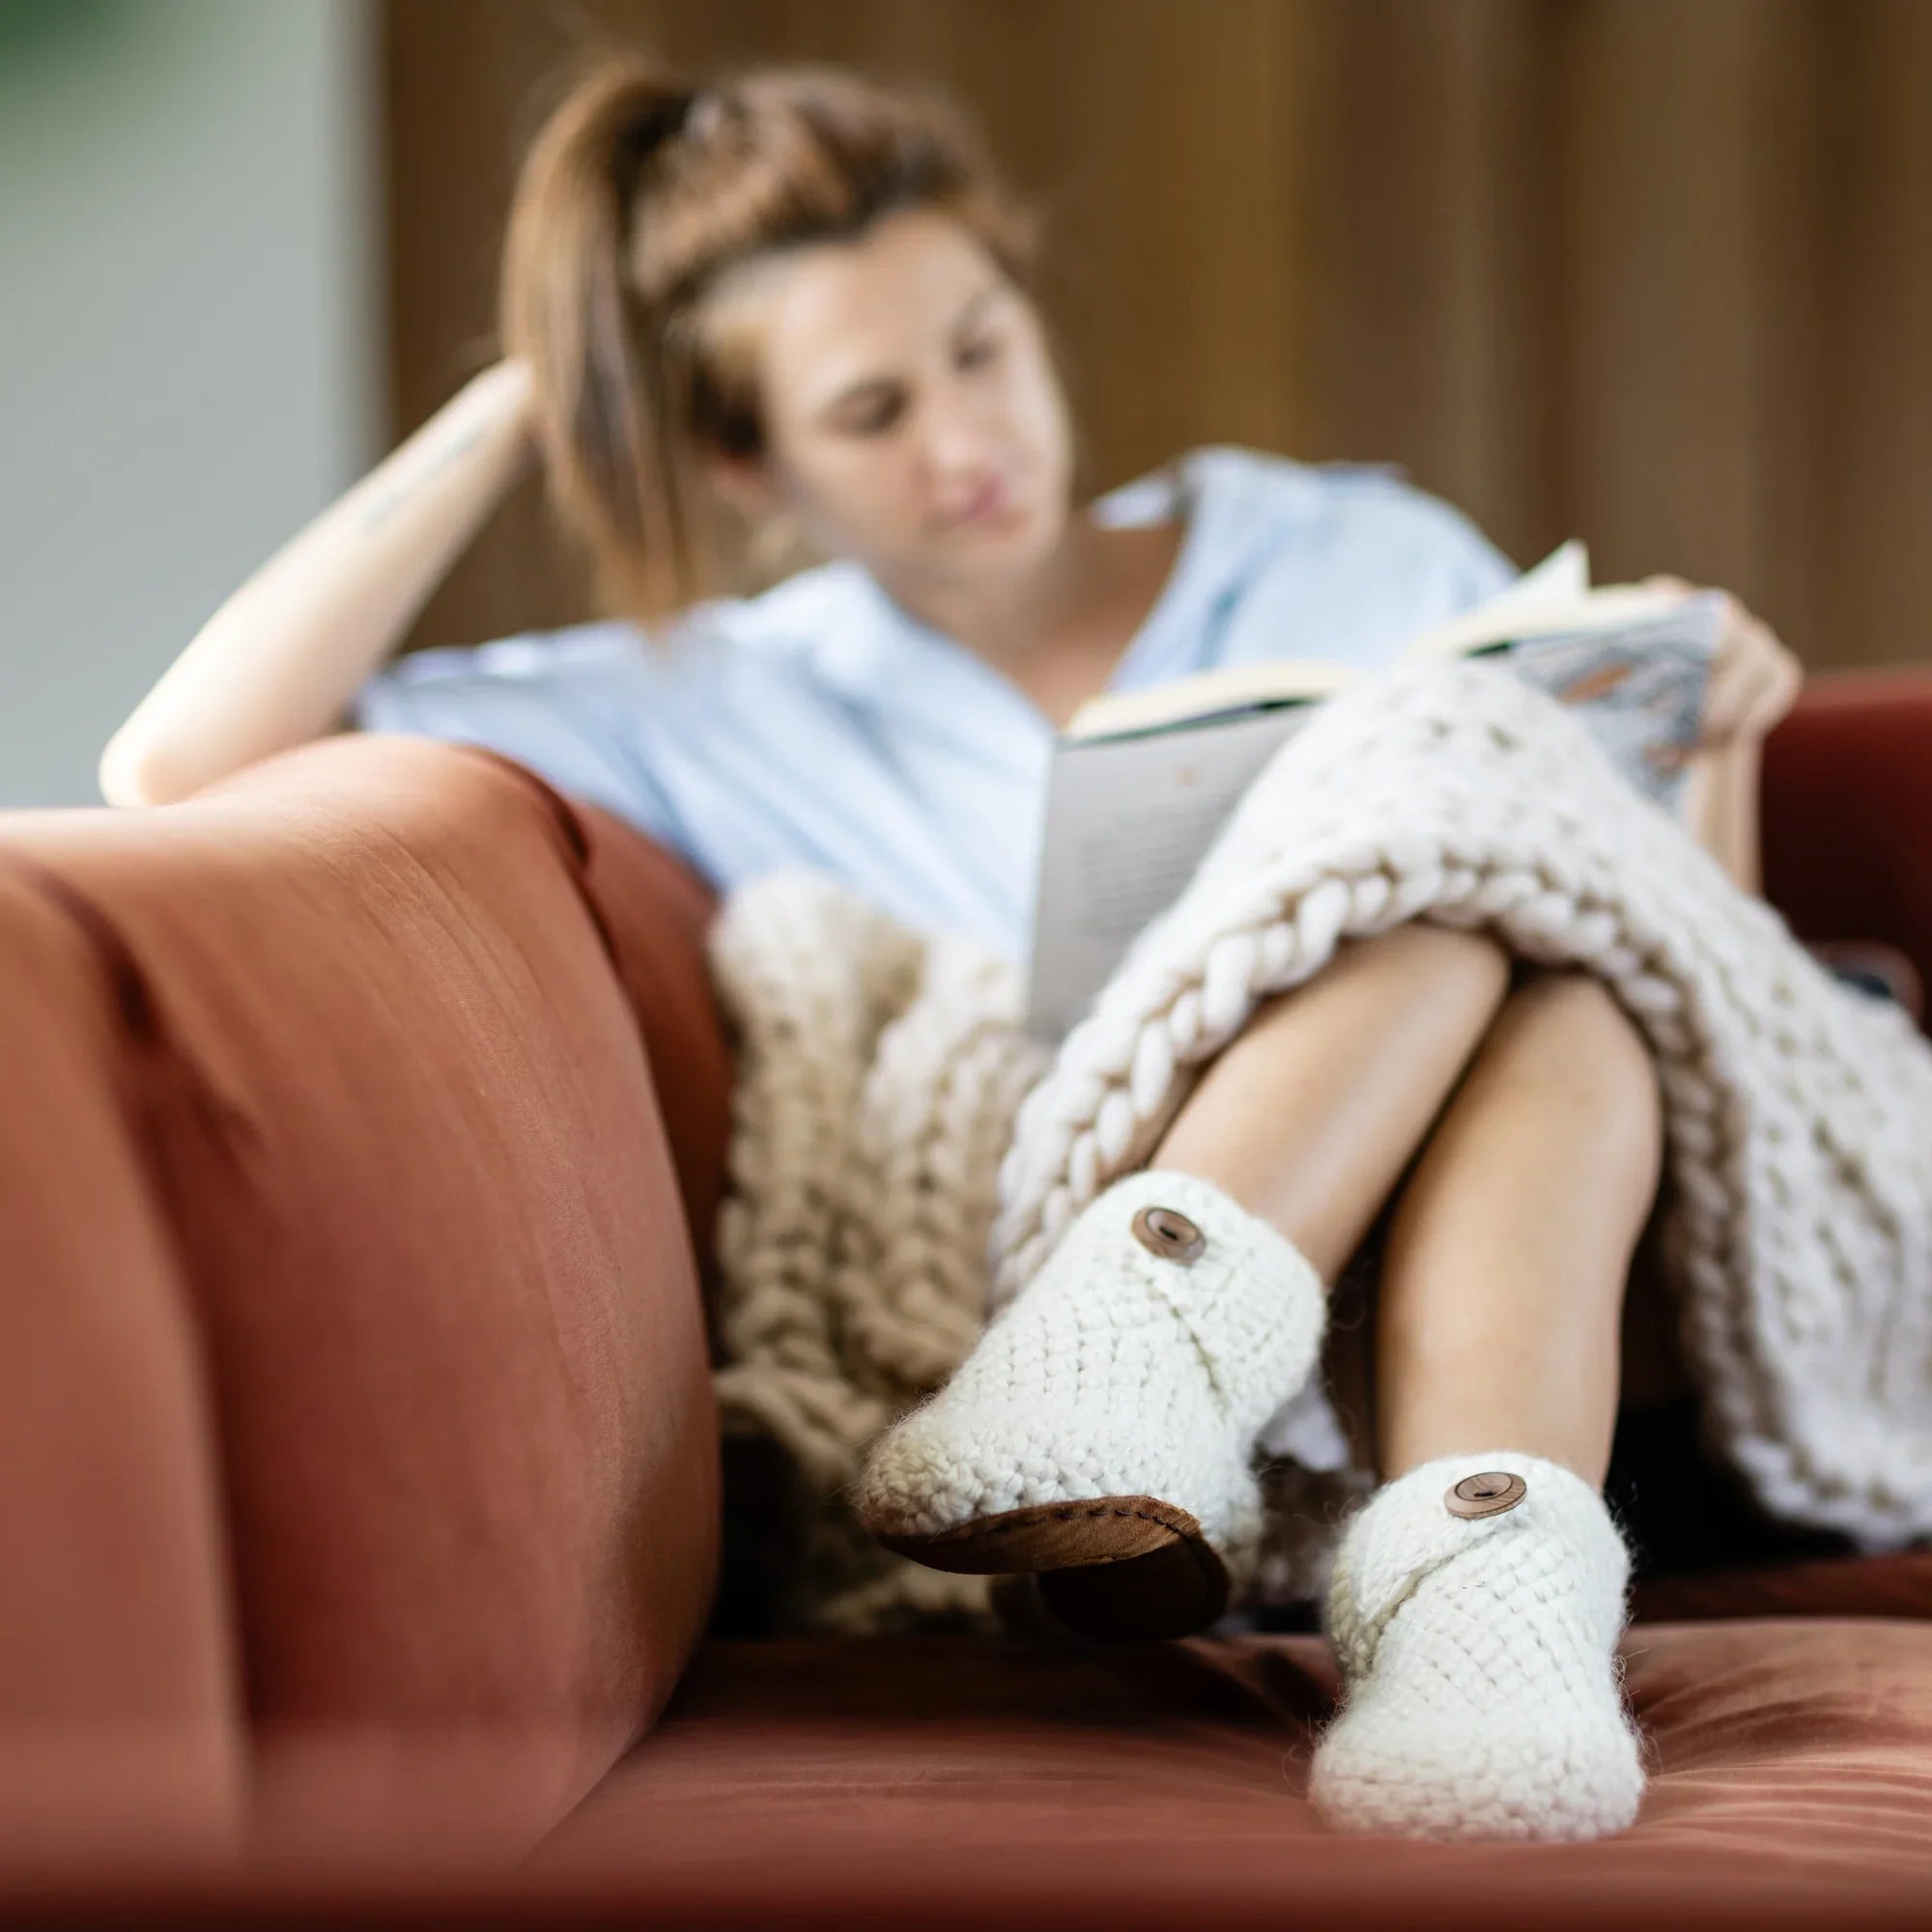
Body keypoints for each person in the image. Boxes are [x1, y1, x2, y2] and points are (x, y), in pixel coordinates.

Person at [100, 53, 1811, 1840]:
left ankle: (1251, 1438)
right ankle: (1440, 1595)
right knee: (1452, 863)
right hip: (1126, 1214)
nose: (967, 443)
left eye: (982, 348)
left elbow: (1682, 965)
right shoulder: (725, 699)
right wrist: (543, 387)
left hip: (1562, 1212)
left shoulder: (1348, 549)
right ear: (741, 459)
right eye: (870, 409)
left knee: (1471, 862)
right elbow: (175, 766)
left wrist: (1719, 741)